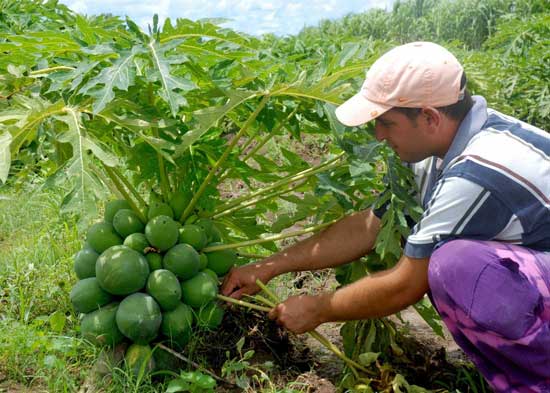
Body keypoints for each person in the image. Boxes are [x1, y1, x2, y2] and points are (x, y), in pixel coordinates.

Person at [221, 42, 550, 391]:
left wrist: (317, 309)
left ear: (429, 117)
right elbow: (371, 226)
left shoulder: (478, 172)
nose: (378, 135)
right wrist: (269, 266)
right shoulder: (436, 149)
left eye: (387, 123)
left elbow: (406, 284)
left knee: (455, 267)